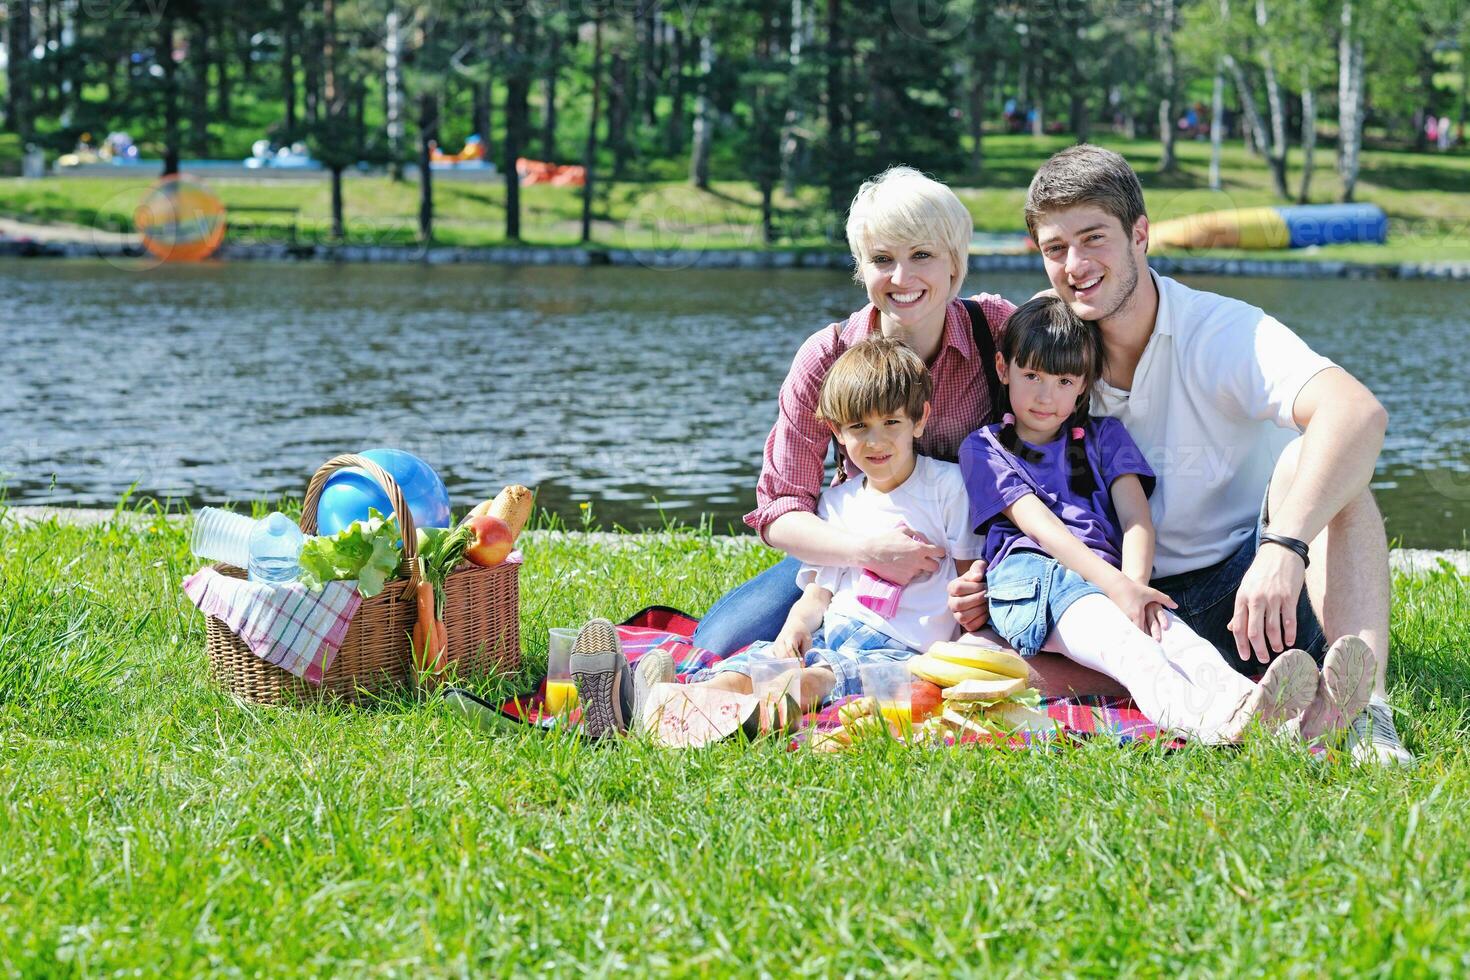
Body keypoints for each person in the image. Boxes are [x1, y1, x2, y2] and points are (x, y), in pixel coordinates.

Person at [949, 144, 1411, 764]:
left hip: (1253, 590)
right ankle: (1252, 700)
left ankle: (1366, 719)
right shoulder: (1052, 347)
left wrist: (1284, 548)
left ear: (1141, 235)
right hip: (1120, 597)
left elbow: (1358, 412)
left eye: (1094, 238)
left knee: (1327, 468)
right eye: (1056, 249)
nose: (1076, 265)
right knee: (969, 663)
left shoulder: (1221, 330)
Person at [962, 295, 1372, 743]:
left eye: (1064, 380)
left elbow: (1137, 518)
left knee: (1180, 640)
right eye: (1031, 376)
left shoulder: (1104, 436)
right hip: (1036, 579)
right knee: (1129, 649)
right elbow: (1041, 527)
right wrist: (1119, 589)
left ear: (1084, 384)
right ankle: (1212, 726)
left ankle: (1283, 720)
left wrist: (1135, 586)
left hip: (1108, 582)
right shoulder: (985, 447)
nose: (1046, 395)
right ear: (1003, 369)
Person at [692, 167, 1016, 655]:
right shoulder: (827, 355)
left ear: (954, 262)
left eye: (922, 255)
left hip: (976, 552)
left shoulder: (994, 327)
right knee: (718, 643)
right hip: (852, 547)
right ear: (861, 267)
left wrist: (990, 568)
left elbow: (1063, 390)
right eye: (882, 259)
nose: (902, 278)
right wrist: (869, 552)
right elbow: (781, 509)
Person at [685, 338, 985, 713]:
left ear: (919, 419)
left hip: (903, 649)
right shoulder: (838, 503)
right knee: (753, 664)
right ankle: (672, 703)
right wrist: (796, 626)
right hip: (833, 635)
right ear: (838, 432)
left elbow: (967, 581)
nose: (876, 441)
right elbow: (817, 594)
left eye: (891, 422)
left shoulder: (948, 487)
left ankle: (758, 716)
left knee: (819, 679)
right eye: (859, 426)